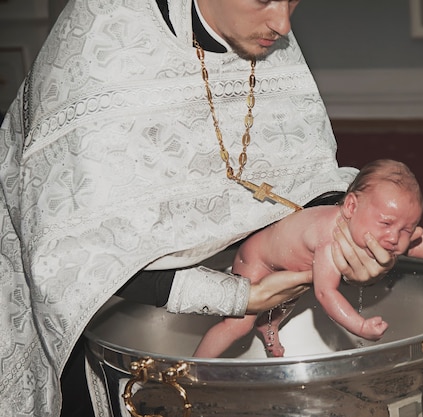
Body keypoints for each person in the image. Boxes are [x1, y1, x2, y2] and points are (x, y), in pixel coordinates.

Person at [0, 1, 394, 416]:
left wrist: (341, 228)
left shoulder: (262, 30)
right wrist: (236, 295)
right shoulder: (104, 30)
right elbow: (77, 252)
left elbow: (299, 166)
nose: (282, 23)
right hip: (87, 311)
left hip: (226, 275)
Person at [194, 159, 423, 358]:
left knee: (288, 296)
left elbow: (413, 245)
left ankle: (268, 326)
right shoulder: (330, 238)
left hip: (288, 260)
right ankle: (193, 369)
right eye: (386, 224)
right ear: (350, 206)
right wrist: (359, 325)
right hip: (255, 259)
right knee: (238, 324)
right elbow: (325, 292)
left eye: (406, 228)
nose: (395, 237)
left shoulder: (371, 227)